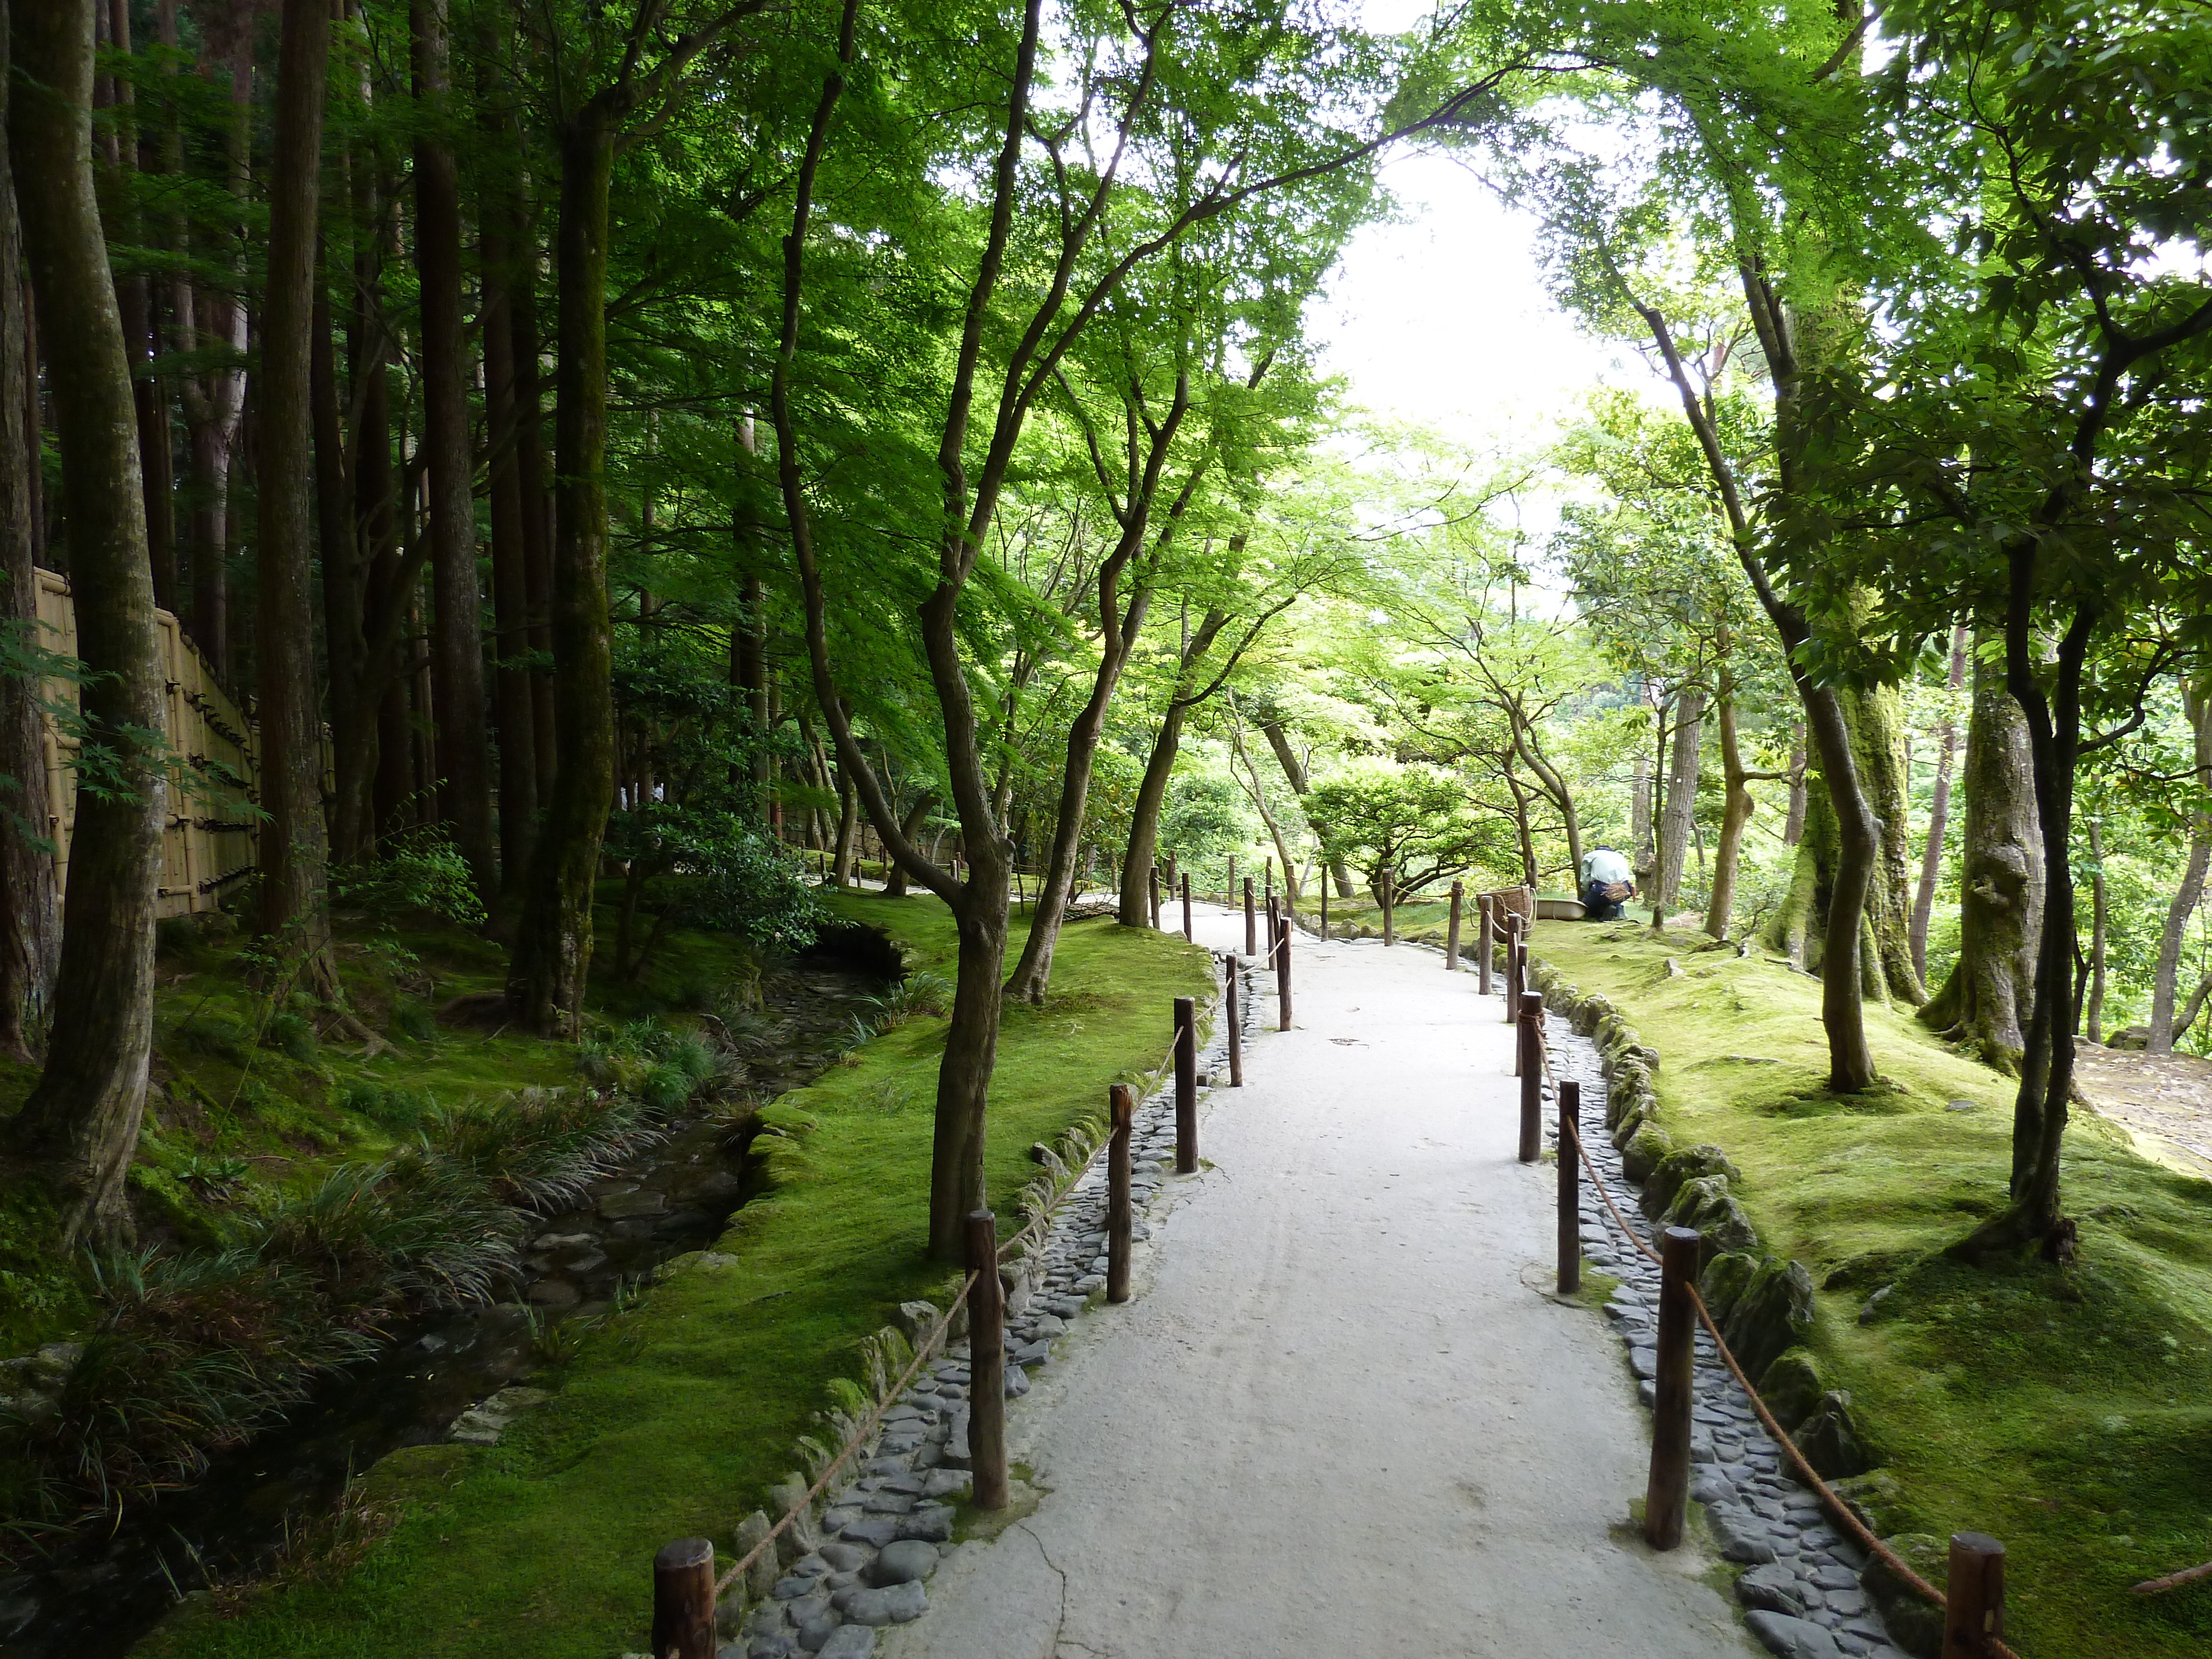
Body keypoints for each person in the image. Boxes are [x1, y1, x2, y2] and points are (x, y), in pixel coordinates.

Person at [1580, 846, 1636, 920]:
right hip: (1624, 890)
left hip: (1603, 889)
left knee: (1587, 905)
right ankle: (1618, 909)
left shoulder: (1591, 855)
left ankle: (1600, 914)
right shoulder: (1619, 856)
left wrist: (1586, 890)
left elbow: (1585, 876)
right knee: (1611, 899)